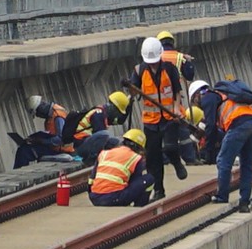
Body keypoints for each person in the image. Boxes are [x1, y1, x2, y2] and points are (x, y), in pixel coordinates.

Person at [135, 35, 191, 199]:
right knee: (153, 158)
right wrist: (129, 86)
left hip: (169, 118)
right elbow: (134, 91)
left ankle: (177, 163)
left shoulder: (169, 69)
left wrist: (175, 109)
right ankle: (159, 189)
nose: (152, 64)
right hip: (150, 122)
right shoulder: (139, 71)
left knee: (170, 148)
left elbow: (177, 92)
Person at [213, 81, 252, 210]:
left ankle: (222, 196)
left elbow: (219, 131)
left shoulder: (217, 103)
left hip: (239, 124)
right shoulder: (234, 99)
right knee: (246, 164)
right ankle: (244, 201)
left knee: (223, 161)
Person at [89, 128, 153, 207]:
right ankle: (140, 207)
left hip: (94, 198)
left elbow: (91, 180)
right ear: (138, 147)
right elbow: (136, 181)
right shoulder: (135, 158)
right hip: (113, 198)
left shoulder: (104, 153)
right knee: (149, 179)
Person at [72, 91, 132, 163]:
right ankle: (93, 158)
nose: (117, 115)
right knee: (105, 134)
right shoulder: (98, 114)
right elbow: (101, 136)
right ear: (113, 107)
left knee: (117, 142)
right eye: (117, 112)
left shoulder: (105, 115)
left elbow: (120, 121)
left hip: (88, 143)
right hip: (81, 146)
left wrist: (129, 105)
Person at [15, 94, 74, 167]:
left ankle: (20, 172)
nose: (38, 116)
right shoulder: (51, 115)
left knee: (24, 152)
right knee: (34, 139)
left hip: (59, 150)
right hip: (54, 146)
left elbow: (60, 139)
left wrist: (41, 141)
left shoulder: (58, 117)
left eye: (37, 113)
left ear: (40, 109)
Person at [189, 80, 226, 165]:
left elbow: (211, 126)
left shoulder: (207, 99)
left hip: (237, 127)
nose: (198, 105)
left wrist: (209, 151)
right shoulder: (213, 97)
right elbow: (207, 123)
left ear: (197, 95)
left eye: (194, 101)